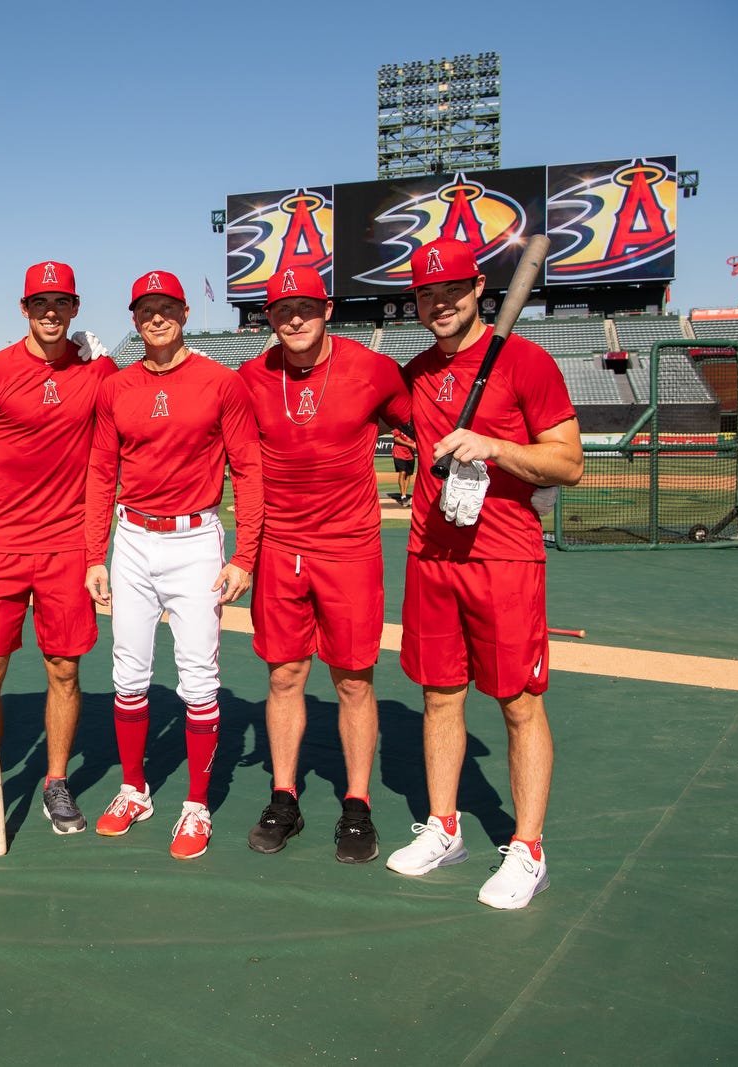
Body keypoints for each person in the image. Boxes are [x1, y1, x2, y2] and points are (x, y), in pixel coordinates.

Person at [387, 237, 582, 910]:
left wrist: (494, 445)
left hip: (503, 557)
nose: (440, 303)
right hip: (430, 556)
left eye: (452, 291)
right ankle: (445, 827)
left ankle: (527, 848)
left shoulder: (527, 362)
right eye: (426, 294)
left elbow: (569, 463)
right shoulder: (413, 373)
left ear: (478, 292)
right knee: (439, 695)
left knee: (518, 703)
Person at [83, 270, 264, 860]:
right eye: (145, 309)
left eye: (166, 307)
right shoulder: (118, 387)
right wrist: (95, 555)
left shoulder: (220, 381)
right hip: (132, 536)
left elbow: (249, 469)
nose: (155, 318)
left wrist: (244, 554)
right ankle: (134, 789)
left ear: (184, 313)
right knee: (128, 675)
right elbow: (100, 472)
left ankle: (196, 804)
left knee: (197, 679)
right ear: (134, 318)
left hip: (194, 540)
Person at [236, 266, 411, 864]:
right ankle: (284, 796)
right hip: (281, 547)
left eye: (306, 306)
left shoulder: (372, 369)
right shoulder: (252, 376)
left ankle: (356, 805)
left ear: (328, 308)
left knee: (354, 679)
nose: (295, 318)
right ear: (269, 316)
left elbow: (418, 422)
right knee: (284, 676)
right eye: (283, 308)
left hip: (350, 548)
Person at [0, 261, 115, 843]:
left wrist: (109, 361)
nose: (50, 311)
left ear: (75, 308)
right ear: (23, 308)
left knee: (64, 669)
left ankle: (54, 780)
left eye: (61, 301)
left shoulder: (98, 372)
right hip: (1, 548)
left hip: (67, 548)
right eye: (39, 301)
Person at [392, 429, 416, 504]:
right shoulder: (399, 426)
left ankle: (405, 493)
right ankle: (403, 495)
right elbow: (396, 439)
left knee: (408, 475)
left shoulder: (413, 427)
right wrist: (410, 445)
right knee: (402, 472)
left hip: (410, 455)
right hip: (399, 453)